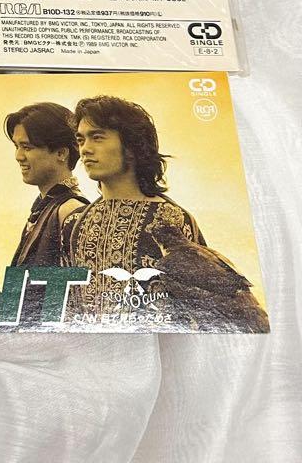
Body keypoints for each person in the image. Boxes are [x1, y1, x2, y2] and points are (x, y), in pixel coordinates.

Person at [60, 95, 265, 330]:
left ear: (131, 146)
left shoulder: (170, 218)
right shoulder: (74, 223)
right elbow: (70, 308)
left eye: (97, 137)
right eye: (81, 140)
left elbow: (204, 314)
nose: (85, 149)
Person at [4, 103, 89, 269]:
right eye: (17, 146)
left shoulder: (71, 211)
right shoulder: (44, 208)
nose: (18, 156)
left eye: (27, 147)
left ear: (61, 153)